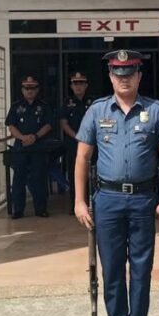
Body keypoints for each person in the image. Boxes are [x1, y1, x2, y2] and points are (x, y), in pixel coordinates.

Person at [74, 50, 159, 316]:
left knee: (142, 267)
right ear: (110, 76)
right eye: (118, 74)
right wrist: (79, 201)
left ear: (139, 76)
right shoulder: (97, 110)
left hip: (143, 198)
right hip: (107, 199)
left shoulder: (155, 110)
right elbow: (82, 157)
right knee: (112, 267)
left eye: (130, 73)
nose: (124, 79)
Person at [5, 74, 55, 218]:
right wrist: (22, 138)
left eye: (33, 88)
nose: (29, 90)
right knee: (19, 179)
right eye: (26, 88)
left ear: (37, 89)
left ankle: (41, 209)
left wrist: (35, 137)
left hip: (38, 147)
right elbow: (11, 126)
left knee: (39, 179)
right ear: (22, 90)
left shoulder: (44, 106)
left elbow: (48, 124)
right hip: (21, 148)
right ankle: (18, 210)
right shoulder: (16, 106)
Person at [60, 70, 94, 215]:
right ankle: (77, 204)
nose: (78, 86)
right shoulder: (67, 103)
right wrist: (78, 136)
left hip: (92, 145)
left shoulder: (93, 102)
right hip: (74, 144)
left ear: (86, 85)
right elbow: (63, 123)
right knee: (75, 174)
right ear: (71, 86)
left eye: (81, 83)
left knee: (93, 174)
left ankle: (93, 203)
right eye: (75, 83)